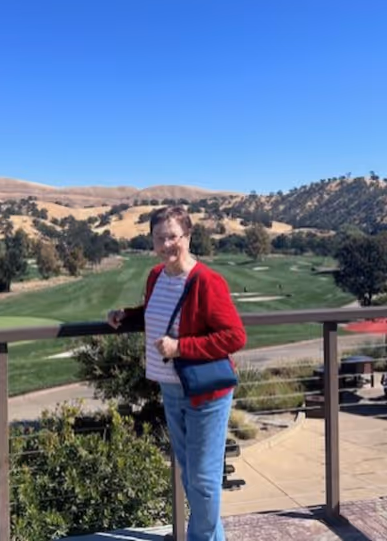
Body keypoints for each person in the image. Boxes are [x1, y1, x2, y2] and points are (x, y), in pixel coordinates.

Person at [107, 206, 247, 541]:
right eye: (160, 237)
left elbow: (235, 337)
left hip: (206, 394)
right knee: (192, 477)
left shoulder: (208, 281)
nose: (167, 244)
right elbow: (157, 314)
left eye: (173, 236)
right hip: (171, 389)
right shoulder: (156, 276)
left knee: (203, 478)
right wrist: (125, 316)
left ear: (187, 237)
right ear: (152, 240)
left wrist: (180, 347)